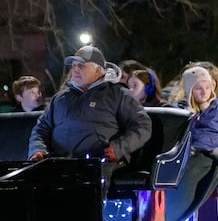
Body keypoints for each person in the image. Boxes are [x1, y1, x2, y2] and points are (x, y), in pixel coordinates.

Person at [28, 44, 152, 182]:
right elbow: (41, 129)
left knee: (85, 185)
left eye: (81, 65)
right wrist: (37, 150)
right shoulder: (60, 98)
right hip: (59, 164)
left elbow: (143, 125)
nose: (74, 69)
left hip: (100, 165)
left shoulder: (117, 94)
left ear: (98, 69)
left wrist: (118, 148)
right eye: (73, 65)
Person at [163, 65, 218, 221]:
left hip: (208, 156)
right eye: (198, 88)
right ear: (189, 90)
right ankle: (164, 215)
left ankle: (173, 218)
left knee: (193, 170)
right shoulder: (179, 110)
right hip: (183, 154)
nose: (204, 92)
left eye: (207, 87)